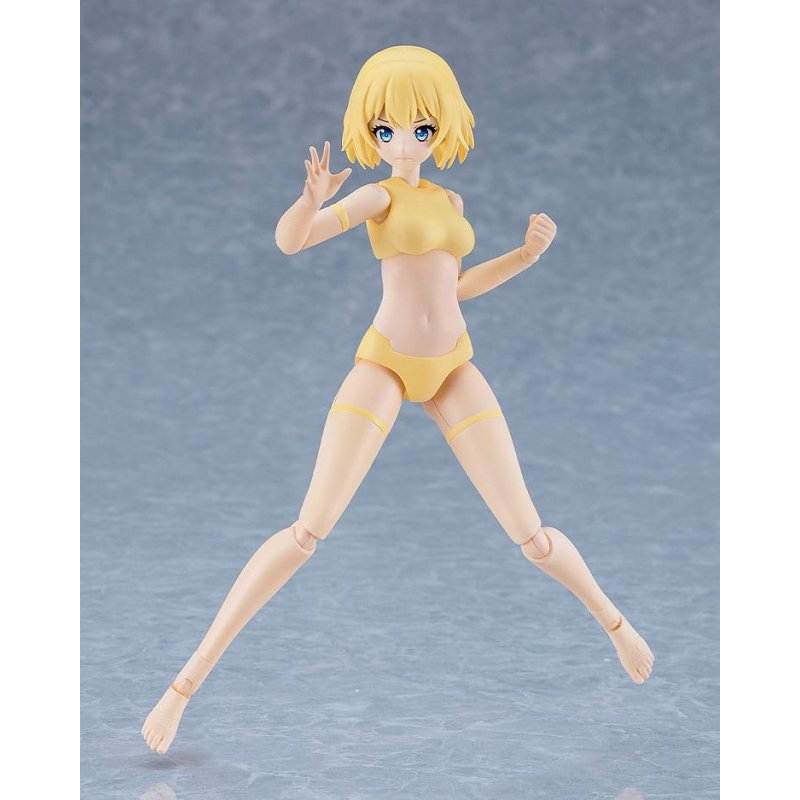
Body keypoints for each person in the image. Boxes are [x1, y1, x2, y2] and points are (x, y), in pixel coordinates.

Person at [142, 45, 653, 756]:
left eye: (420, 127)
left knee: (531, 534)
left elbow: (456, 288)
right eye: (387, 129)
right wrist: (311, 201)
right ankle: (183, 686)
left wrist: (524, 257)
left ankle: (616, 625)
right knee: (307, 531)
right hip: (384, 364)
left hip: (453, 366)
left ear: (443, 127)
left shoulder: (450, 202)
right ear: (370, 131)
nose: (405, 141)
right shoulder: (377, 197)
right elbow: (293, 242)